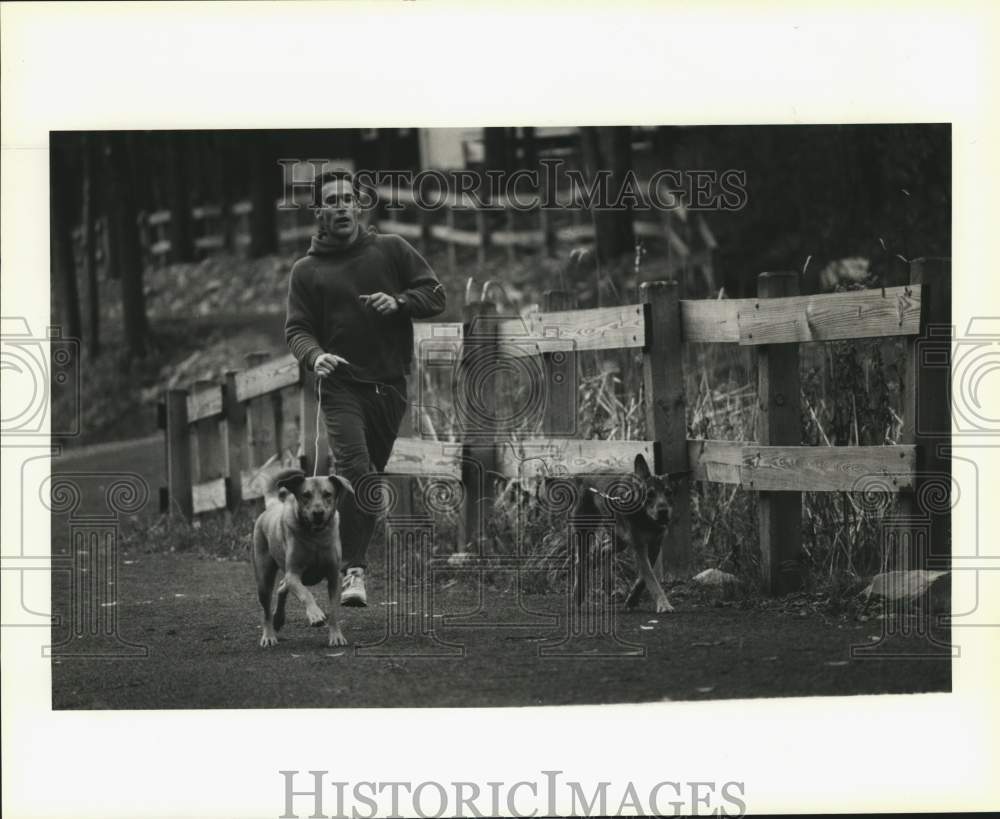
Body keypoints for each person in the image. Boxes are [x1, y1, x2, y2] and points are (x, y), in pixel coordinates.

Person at [285, 169, 446, 606]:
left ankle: (323, 553)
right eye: (330, 201)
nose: (340, 206)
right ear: (319, 212)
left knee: (366, 483)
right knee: (355, 470)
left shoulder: (391, 250)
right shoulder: (306, 271)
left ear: (358, 205)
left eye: (346, 198)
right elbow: (297, 329)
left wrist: (400, 302)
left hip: (389, 387)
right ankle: (354, 571)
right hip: (341, 388)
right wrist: (315, 356)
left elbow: (435, 294)